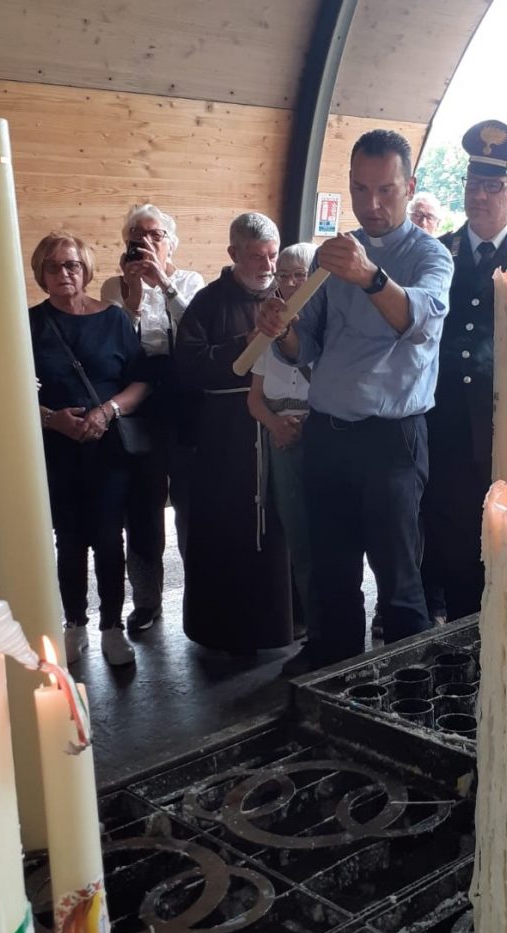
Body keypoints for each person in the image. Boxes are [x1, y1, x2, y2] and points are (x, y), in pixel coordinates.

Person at [258, 129, 454, 674]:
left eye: (386, 190)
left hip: (392, 439)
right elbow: (306, 347)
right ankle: (333, 658)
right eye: (360, 189)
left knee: (398, 575)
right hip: (327, 431)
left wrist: (368, 274)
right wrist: (281, 329)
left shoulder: (431, 255)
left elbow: (416, 319)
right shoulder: (332, 257)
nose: (372, 204)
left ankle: (410, 680)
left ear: (409, 186)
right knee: (331, 565)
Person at [422, 119, 507, 621]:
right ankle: (460, 635)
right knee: (453, 541)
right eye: (473, 184)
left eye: (493, 186)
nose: (479, 196)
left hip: (506, 422)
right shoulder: (439, 254)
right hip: (446, 423)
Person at [30, 232, 150, 665]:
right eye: (53, 266)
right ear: (41, 273)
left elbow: (141, 382)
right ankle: (75, 622)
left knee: (108, 537)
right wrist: (51, 418)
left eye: (72, 265)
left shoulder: (114, 320)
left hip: (107, 447)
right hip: (56, 448)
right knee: (69, 539)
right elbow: (9, 388)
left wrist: (106, 411)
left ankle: (111, 627)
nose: (64, 273)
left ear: (86, 270)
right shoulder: (28, 323)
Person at [175, 212, 292, 655]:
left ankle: (286, 623)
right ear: (233, 254)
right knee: (229, 531)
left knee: (280, 526)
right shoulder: (207, 303)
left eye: (273, 255)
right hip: (226, 439)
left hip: (277, 428)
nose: (268, 265)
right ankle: (226, 630)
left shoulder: (286, 298)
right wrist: (246, 343)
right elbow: (188, 367)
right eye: (257, 256)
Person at [101, 204, 205, 633]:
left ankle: (201, 594)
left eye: (155, 235)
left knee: (191, 504)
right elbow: (114, 345)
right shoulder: (114, 286)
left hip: (185, 404)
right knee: (142, 508)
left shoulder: (190, 281)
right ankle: (146, 601)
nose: (145, 243)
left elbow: (197, 330)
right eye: (136, 237)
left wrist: (163, 283)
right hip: (138, 404)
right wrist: (131, 300)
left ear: (171, 243)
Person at [247, 242, 318, 663]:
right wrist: (276, 426)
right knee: (299, 542)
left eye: (300, 275)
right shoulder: (267, 326)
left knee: (332, 541)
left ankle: (338, 632)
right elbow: (254, 398)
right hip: (281, 443)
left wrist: (306, 426)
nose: (291, 283)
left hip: (323, 439)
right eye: (284, 275)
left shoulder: (329, 324)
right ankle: (315, 633)